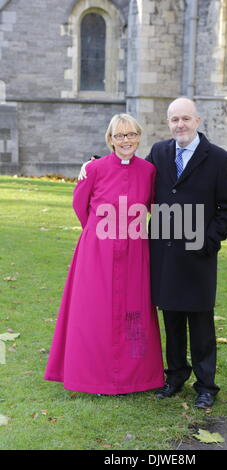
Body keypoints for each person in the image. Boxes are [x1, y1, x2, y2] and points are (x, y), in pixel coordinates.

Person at [79, 98, 227, 408]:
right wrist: (94, 163)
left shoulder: (219, 159)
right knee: (172, 318)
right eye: (174, 120)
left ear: (198, 120)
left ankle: (206, 385)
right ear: (169, 123)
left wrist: (209, 241)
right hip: (164, 253)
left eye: (185, 119)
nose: (180, 124)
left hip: (198, 254)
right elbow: (131, 173)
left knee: (201, 321)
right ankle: (176, 376)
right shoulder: (161, 153)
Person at [44, 114, 165, 395]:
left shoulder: (148, 170)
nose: (127, 141)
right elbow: (80, 204)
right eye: (120, 136)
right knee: (95, 312)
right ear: (110, 140)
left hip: (135, 250)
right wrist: (98, 233)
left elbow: (151, 205)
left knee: (133, 312)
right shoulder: (95, 169)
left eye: (132, 134)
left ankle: (135, 378)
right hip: (97, 251)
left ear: (139, 136)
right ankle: (95, 377)